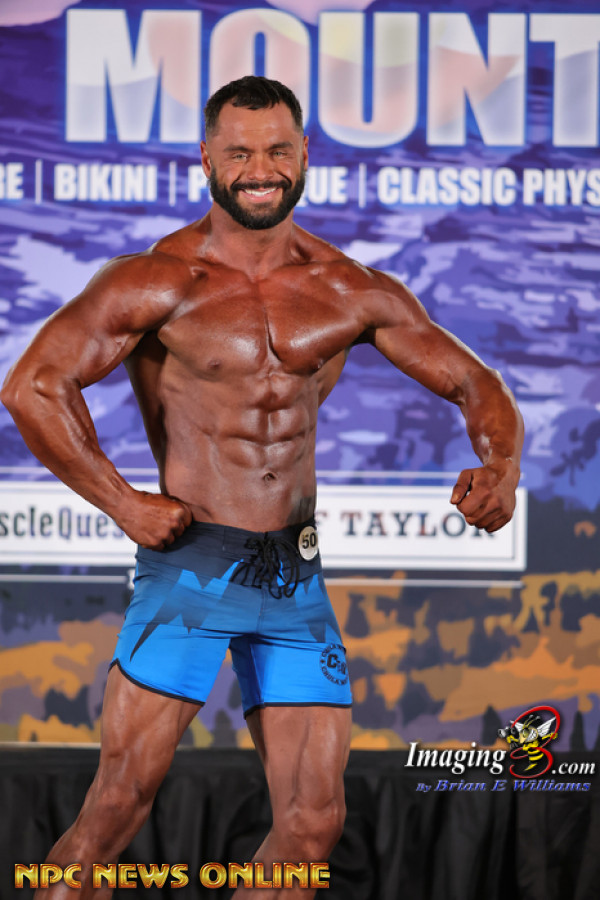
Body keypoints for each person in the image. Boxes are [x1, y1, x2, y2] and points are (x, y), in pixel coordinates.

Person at [1, 76, 524, 898]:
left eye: (278, 150)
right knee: (119, 805)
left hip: (293, 577)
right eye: (239, 152)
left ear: (305, 153)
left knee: (313, 825)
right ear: (206, 158)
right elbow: (33, 386)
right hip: (193, 568)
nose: (260, 169)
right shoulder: (157, 279)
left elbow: (475, 382)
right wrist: (124, 502)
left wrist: (500, 469)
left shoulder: (351, 288)